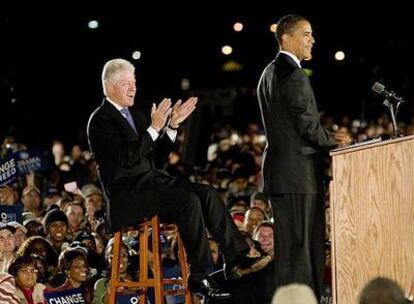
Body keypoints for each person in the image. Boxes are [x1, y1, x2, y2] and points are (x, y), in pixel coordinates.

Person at [87, 58, 265, 300]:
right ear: (109, 86)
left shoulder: (137, 116)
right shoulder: (100, 120)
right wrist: (153, 129)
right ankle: (200, 274)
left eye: (134, 82)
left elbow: (155, 160)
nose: (133, 88)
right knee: (188, 200)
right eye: (125, 83)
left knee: (207, 192)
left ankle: (234, 259)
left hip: (153, 182)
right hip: (128, 194)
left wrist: (170, 127)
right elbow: (127, 158)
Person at [257, 14, 351, 299]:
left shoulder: (267, 73)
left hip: (280, 175)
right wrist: (336, 139)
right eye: (306, 34)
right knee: (304, 253)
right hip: (299, 177)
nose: (312, 40)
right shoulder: (293, 74)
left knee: (289, 252)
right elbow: (308, 127)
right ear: (286, 37)